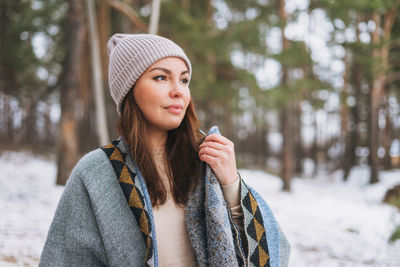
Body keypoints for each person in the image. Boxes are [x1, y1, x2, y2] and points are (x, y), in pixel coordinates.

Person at [39, 34, 290, 267]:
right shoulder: (96, 172)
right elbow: (66, 258)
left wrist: (231, 186)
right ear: (130, 89)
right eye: (161, 77)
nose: (178, 90)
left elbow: (276, 249)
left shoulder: (207, 161)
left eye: (183, 80)